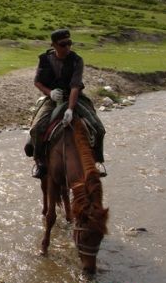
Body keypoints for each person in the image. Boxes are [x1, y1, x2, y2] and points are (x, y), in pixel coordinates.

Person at [25, 29, 106, 179]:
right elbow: (37, 82)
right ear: (54, 45)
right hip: (53, 98)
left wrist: (69, 109)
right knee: (36, 129)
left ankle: (98, 161)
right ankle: (40, 162)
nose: (67, 47)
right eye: (63, 44)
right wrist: (50, 93)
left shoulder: (77, 60)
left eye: (69, 43)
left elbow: (75, 85)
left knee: (99, 129)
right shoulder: (44, 59)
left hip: (75, 98)